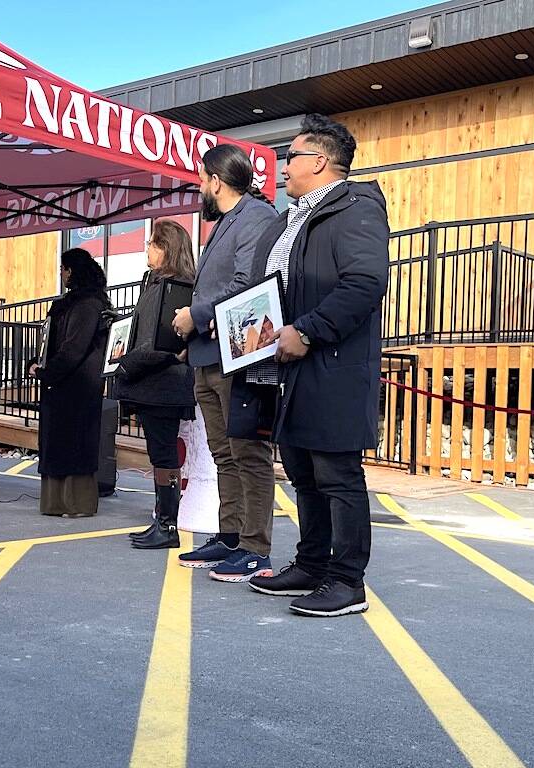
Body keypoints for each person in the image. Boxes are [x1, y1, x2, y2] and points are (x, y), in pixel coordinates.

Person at [245, 113, 390, 617]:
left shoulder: (354, 209)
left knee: (337, 474)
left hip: (330, 361)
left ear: (320, 161)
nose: (281, 168)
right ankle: (311, 564)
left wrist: (307, 330)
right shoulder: (296, 216)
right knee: (303, 471)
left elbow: (364, 284)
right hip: (290, 365)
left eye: (290, 158)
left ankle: (348, 581)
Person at [171, 144, 277, 581]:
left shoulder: (255, 216)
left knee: (248, 451)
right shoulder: (230, 221)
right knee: (224, 452)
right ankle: (231, 536)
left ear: (216, 180)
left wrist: (195, 315)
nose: (200, 186)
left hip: (237, 355)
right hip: (208, 356)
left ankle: (255, 547)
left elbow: (246, 283)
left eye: (201, 178)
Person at [114, 219, 197, 550]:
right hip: (156, 383)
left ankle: (167, 523)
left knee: (165, 458)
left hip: (164, 385)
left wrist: (125, 365)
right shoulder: (158, 284)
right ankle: (163, 519)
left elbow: (159, 343)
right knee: (161, 456)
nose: (146, 248)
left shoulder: (175, 288)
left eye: (153, 243)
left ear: (168, 249)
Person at [30, 249, 112, 517]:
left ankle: (75, 504)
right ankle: (58, 503)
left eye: (64, 268)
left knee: (73, 443)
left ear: (74, 271)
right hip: (65, 383)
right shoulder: (75, 302)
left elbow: (73, 348)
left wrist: (45, 372)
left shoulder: (87, 304)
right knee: (61, 442)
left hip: (77, 385)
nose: (62, 273)